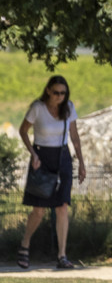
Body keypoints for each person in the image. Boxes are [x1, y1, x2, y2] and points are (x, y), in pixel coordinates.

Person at [16, 75, 87, 269]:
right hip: (41, 159)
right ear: (48, 90)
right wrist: (33, 154)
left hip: (62, 158)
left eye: (63, 93)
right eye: (56, 92)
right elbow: (23, 131)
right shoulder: (37, 108)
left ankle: (62, 256)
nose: (59, 97)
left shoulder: (69, 108)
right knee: (38, 210)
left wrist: (81, 162)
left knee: (62, 207)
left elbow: (74, 136)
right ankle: (25, 244)